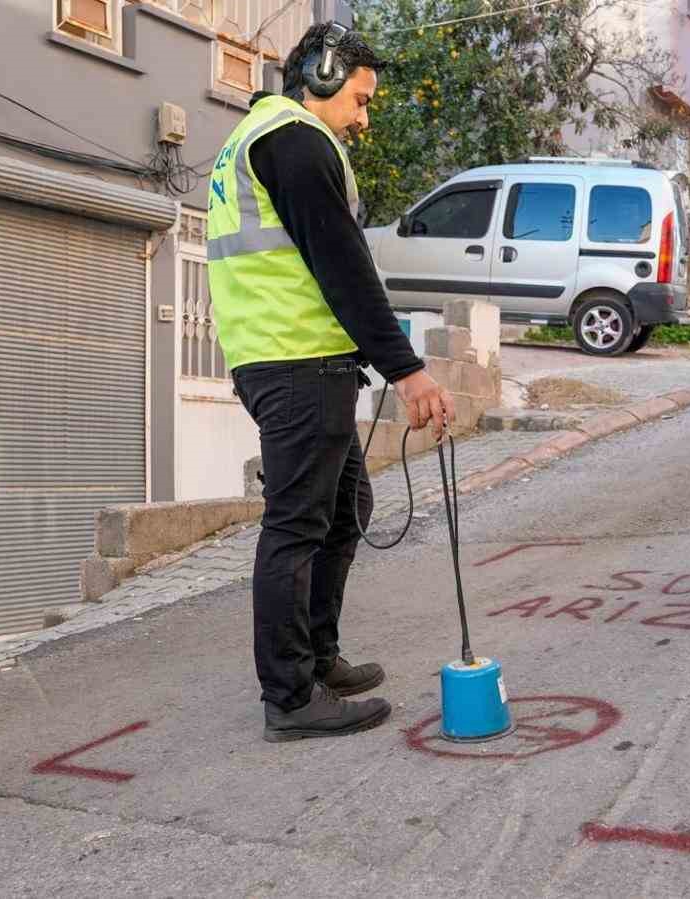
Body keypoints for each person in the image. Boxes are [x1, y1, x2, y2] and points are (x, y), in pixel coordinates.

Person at [206, 23, 455, 741]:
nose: (364, 118)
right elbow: (343, 265)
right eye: (359, 98)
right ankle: (289, 696)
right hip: (296, 361)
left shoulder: (254, 140)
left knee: (346, 504)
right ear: (320, 74)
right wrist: (407, 370)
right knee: (298, 522)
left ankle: (317, 657)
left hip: (287, 358)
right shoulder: (295, 142)